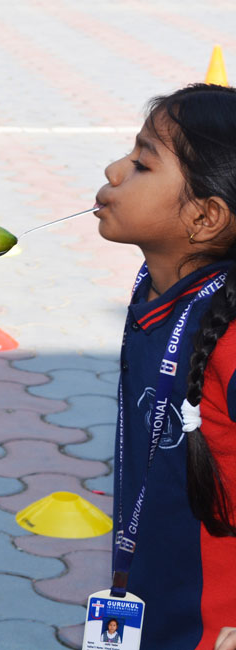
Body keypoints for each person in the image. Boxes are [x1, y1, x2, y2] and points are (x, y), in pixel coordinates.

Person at [94, 84, 236, 650]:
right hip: (158, 599)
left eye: (142, 163)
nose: (114, 170)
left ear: (204, 216)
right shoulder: (157, 293)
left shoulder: (229, 336)